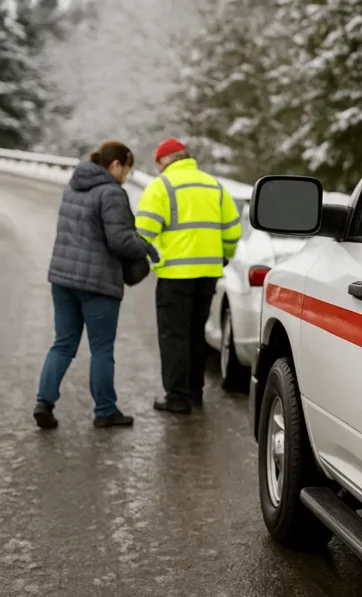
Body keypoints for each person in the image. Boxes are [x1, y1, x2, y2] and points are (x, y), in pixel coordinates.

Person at [34, 141, 160, 430]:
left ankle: (44, 402)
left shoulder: (73, 186)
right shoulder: (112, 193)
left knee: (63, 344)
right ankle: (105, 410)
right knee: (101, 348)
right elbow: (120, 239)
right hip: (98, 284)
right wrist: (147, 247)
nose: (127, 175)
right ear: (115, 165)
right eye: (127, 169)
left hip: (63, 279)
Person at [135, 138, 242, 415]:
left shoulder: (161, 186)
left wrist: (148, 258)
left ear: (162, 162)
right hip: (208, 274)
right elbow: (232, 231)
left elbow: (143, 233)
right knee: (196, 333)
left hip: (175, 275)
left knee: (174, 335)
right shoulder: (214, 186)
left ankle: (177, 398)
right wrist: (223, 256)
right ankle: (195, 392)